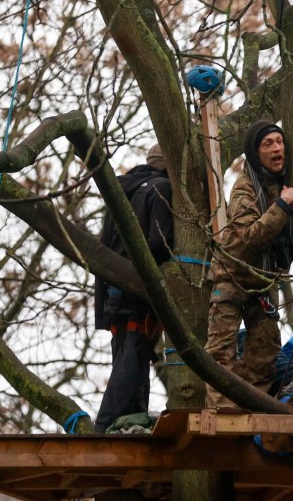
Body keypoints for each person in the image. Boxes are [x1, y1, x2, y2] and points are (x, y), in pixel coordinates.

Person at [204, 120, 293, 408]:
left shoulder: (287, 182)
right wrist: (282, 207)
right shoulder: (245, 189)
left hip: (265, 282)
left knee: (265, 352)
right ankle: (222, 411)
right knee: (221, 351)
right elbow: (248, 238)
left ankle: (251, 407)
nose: (277, 148)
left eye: (280, 142)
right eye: (268, 144)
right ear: (256, 153)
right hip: (233, 277)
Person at [93, 144, 173, 432]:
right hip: (139, 290)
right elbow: (158, 246)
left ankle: (128, 420)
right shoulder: (162, 188)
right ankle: (103, 430)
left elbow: (103, 244)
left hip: (113, 292)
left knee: (132, 359)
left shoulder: (121, 191)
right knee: (132, 360)